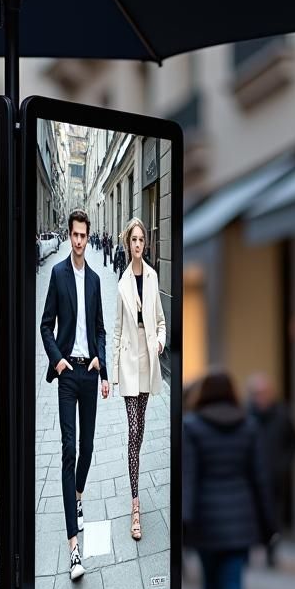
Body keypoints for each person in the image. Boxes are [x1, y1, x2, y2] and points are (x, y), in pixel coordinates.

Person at [182, 369, 274, 589]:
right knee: (234, 580)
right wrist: (267, 520)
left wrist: (185, 516)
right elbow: (260, 477)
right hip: (241, 511)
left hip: (206, 514)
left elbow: (189, 475)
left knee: (210, 579)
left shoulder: (192, 426)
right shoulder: (249, 425)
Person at [40, 208, 110, 582]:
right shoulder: (57, 274)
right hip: (68, 374)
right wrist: (59, 361)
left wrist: (103, 366)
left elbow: (99, 327)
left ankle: (78, 495)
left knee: (89, 448)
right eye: (76, 235)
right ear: (69, 236)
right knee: (69, 450)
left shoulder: (97, 280)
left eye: (84, 235)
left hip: (91, 372)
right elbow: (45, 325)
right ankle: (74, 549)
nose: (80, 241)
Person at [110, 217, 167, 542]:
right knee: (133, 431)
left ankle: (135, 469)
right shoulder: (121, 284)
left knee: (141, 430)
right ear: (127, 243)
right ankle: (135, 505)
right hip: (130, 363)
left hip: (148, 360)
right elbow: (117, 330)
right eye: (133, 239)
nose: (137, 245)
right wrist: (114, 371)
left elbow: (159, 321)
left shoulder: (153, 276)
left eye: (141, 240)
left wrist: (160, 341)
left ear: (145, 244)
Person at [247, 373, 295, 567]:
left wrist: (284, 464)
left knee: (273, 515)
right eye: (256, 393)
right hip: (250, 476)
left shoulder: (283, 414)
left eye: (264, 393)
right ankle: (247, 550)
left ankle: (271, 551)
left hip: (275, 476)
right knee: (250, 514)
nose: (260, 397)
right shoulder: (245, 415)